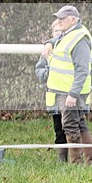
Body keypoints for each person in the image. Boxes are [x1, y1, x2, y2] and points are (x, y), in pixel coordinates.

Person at [45, 5, 92, 165]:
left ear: (73, 20)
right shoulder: (70, 34)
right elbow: (58, 41)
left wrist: (73, 94)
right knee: (79, 124)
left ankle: (76, 163)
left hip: (71, 91)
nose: (59, 21)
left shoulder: (79, 39)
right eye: (58, 18)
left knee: (70, 125)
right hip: (65, 90)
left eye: (62, 18)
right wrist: (49, 42)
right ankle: (91, 161)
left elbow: (83, 70)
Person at [35, 20, 68, 161]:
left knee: (73, 126)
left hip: (70, 97)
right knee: (59, 129)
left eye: (62, 31)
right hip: (54, 100)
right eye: (56, 31)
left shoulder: (71, 49)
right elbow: (39, 71)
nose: (59, 34)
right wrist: (48, 72)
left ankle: (78, 155)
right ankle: (62, 158)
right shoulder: (47, 53)